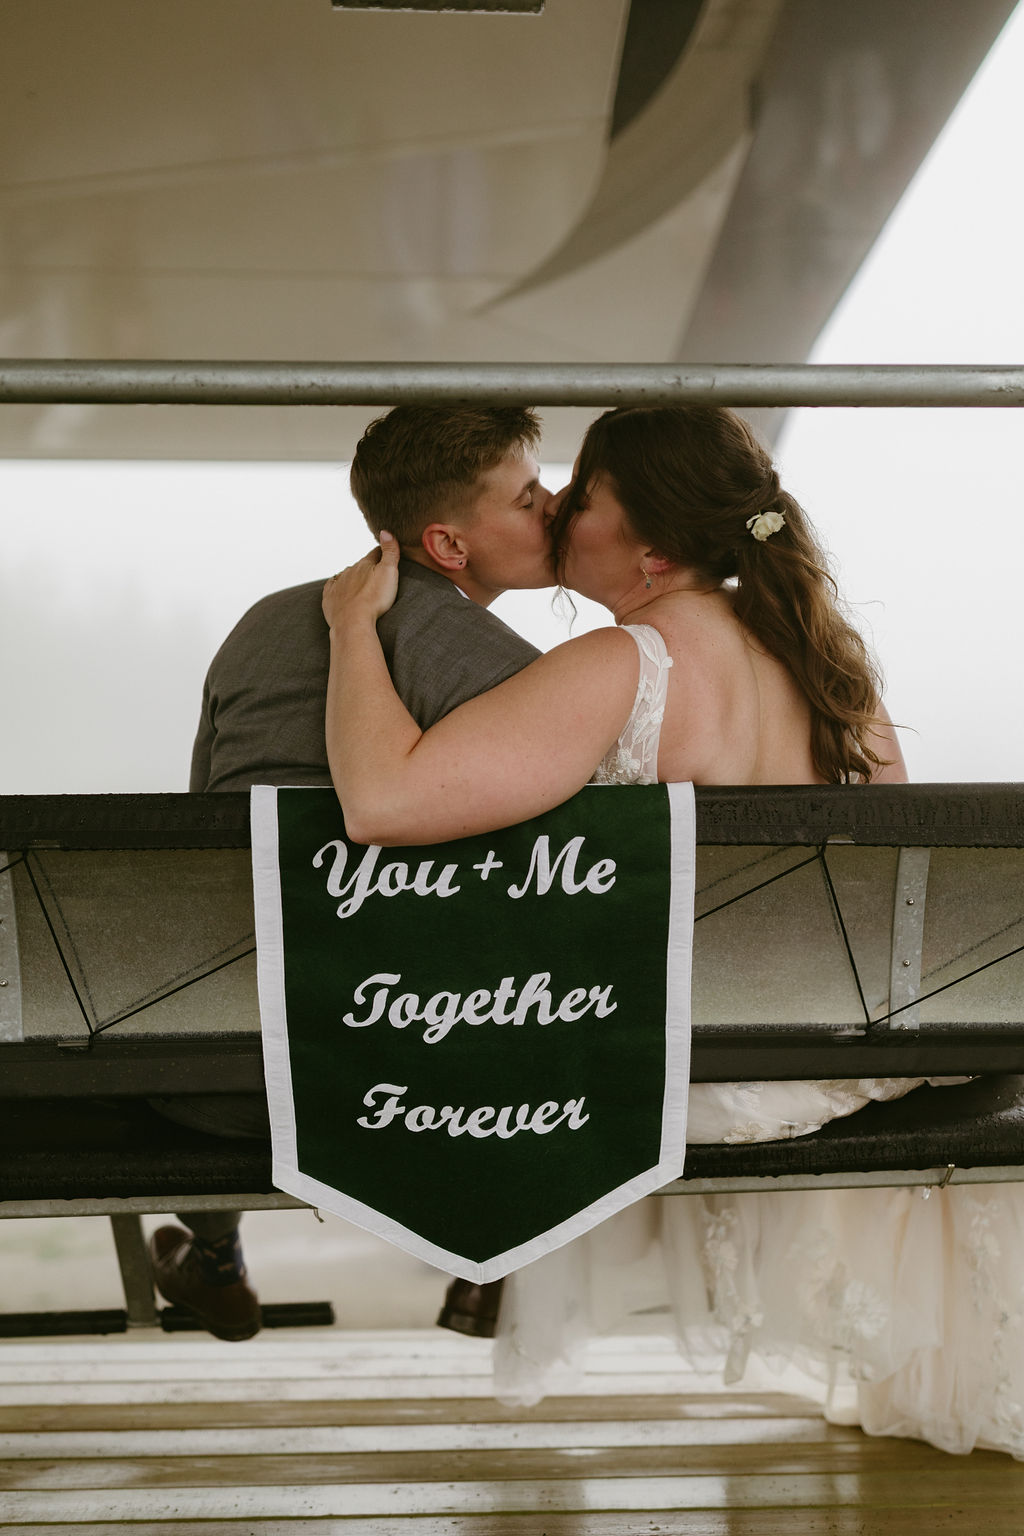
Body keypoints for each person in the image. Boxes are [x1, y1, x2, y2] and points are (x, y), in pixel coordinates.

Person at [321, 404, 1024, 1459]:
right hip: (849, 1060)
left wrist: (348, 630)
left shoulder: (626, 664)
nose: (560, 510)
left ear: (648, 546)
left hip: (692, 1071)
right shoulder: (832, 670)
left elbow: (380, 803)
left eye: (585, 495)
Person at [149, 404, 554, 1341]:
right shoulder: (491, 660)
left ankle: (214, 1256)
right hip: (409, 1074)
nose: (555, 507)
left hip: (203, 1075)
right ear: (450, 544)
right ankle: (497, 1244)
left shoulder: (260, 624)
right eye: (530, 497)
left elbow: (198, 834)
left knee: (232, 941)